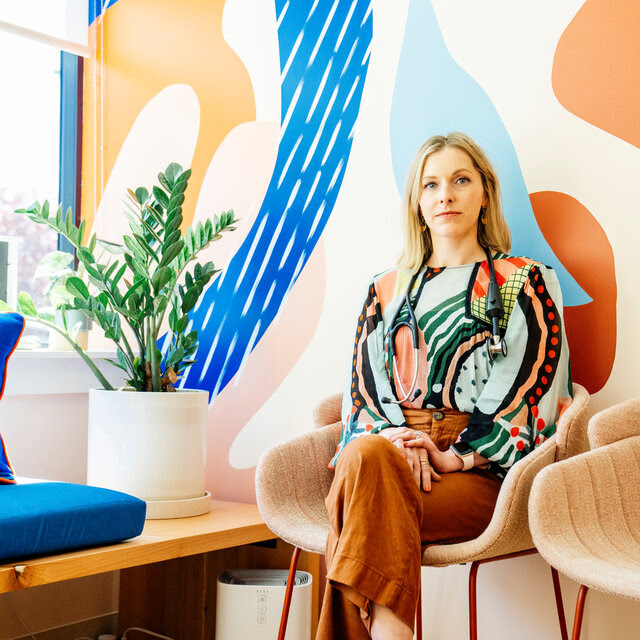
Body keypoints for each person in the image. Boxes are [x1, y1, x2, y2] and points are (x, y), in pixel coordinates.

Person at [316, 132, 573, 640]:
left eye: (460, 180)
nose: (445, 195)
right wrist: (394, 441)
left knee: (358, 508)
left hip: (476, 474)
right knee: (369, 463)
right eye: (430, 184)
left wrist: (455, 456)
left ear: (484, 194)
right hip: (387, 450)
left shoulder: (525, 281)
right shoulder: (384, 289)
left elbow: (533, 387)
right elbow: (362, 389)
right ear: (418, 201)